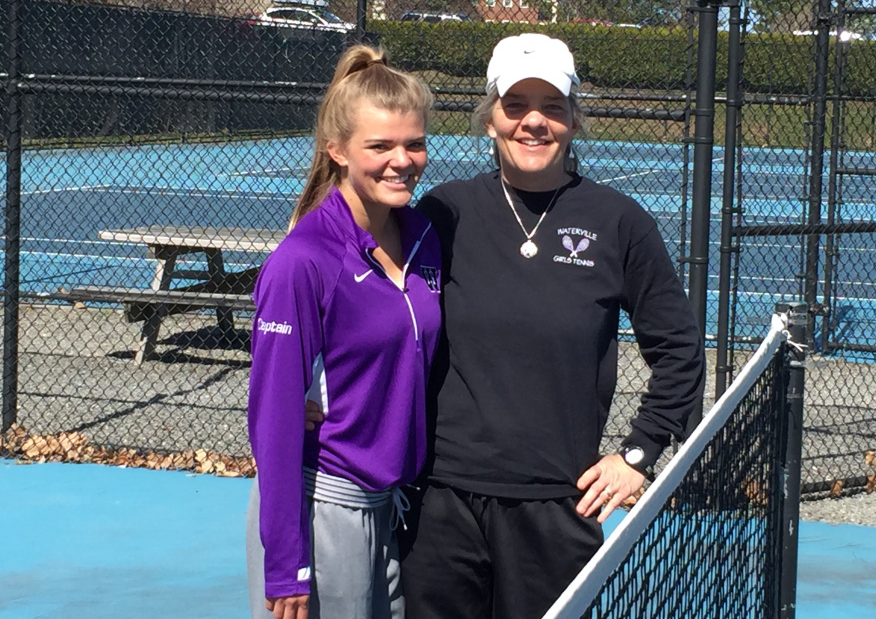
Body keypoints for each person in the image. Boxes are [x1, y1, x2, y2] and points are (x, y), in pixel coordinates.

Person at [398, 33, 706, 619]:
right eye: (515, 106)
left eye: (552, 107)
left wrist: (637, 454)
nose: (533, 122)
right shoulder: (442, 212)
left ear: (572, 119)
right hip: (440, 503)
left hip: (558, 507)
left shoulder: (620, 223)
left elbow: (680, 350)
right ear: (490, 119)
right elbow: (378, 310)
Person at [247, 44, 443, 619]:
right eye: (379, 146)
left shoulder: (426, 239)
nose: (401, 160)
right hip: (323, 505)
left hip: (391, 506)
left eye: (414, 143)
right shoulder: (303, 260)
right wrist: (287, 563)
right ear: (337, 150)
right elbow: (275, 417)